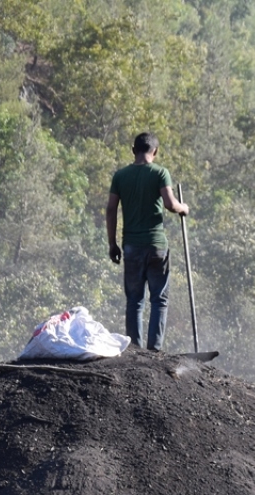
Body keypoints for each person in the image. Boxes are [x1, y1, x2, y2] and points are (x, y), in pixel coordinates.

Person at [106, 132, 190, 352]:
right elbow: (171, 205)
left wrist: (112, 244)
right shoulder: (160, 173)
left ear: (133, 150)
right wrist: (184, 208)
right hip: (156, 246)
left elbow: (111, 209)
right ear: (155, 151)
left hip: (131, 246)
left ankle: (134, 350)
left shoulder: (120, 176)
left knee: (134, 300)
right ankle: (154, 350)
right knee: (159, 299)